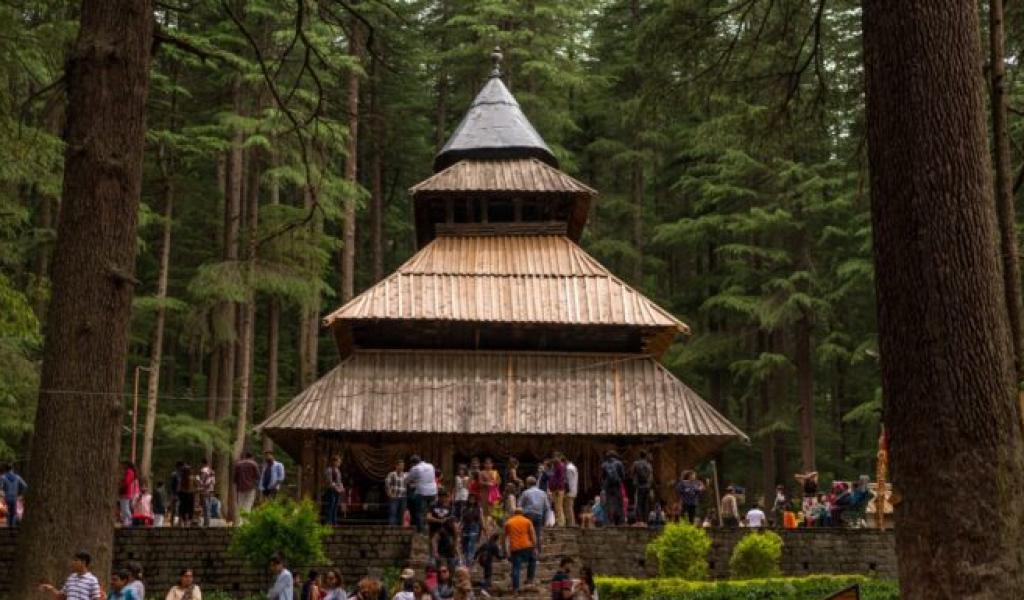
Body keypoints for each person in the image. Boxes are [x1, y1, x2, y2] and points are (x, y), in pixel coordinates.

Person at [37, 551, 102, 600]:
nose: (73, 563)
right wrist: (50, 588)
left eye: (76, 560)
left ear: (83, 562)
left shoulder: (92, 580)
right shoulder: (71, 578)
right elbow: (61, 596)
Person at [503, 507, 538, 594]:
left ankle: (515, 588)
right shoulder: (527, 521)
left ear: (514, 513)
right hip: (527, 546)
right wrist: (535, 546)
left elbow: (505, 538)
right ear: (522, 513)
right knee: (533, 560)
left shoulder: (509, 522)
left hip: (515, 548)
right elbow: (533, 535)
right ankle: (529, 578)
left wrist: (506, 551)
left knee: (516, 568)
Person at [518, 476, 551, 556]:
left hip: (528, 515)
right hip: (539, 516)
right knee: (537, 534)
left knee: (527, 534)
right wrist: (547, 520)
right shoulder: (542, 493)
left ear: (527, 484)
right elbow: (547, 507)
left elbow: (519, 505)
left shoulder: (526, 492)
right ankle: (537, 553)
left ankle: (527, 553)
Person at [406, 455, 438, 534]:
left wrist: (411, 482)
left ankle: (421, 531)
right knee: (431, 511)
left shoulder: (415, 468)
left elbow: (407, 480)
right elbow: (428, 478)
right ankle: (432, 529)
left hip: (422, 493)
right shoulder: (430, 465)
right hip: (433, 492)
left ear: (413, 463)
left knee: (419, 512)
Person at [599, 452, 625, 526]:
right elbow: (623, 476)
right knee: (619, 502)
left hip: (608, 487)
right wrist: (619, 481)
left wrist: (604, 485)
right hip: (617, 485)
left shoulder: (604, 464)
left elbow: (602, 477)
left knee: (609, 503)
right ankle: (620, 521)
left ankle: (610, 521)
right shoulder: (619, 463)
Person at [234, 451, 262, 521]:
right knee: (248, 505)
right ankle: (245, 522)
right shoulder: (253, 464)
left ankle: (240, 521)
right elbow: (258, 477)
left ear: (245, 456)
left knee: (240, 505)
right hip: (250, 488)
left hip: (240, 488)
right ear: (252, 457)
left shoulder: (238, 464)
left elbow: (234, 478)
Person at [474, 532, 503, 597]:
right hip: (488, 561)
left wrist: (475, 558)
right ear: (497, 539)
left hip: (481, 561)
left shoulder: (485, 543)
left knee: (486, 575)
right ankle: (484, 589)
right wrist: (505, 557)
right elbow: (498, 556)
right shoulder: (494, 545)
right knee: (488, 577)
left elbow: (477, 551)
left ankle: (478, 583)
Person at [630, 451, 653, 526]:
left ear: (639, 455)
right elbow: (651, 476)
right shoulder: (649, 465)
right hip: (647, 487)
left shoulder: (636, 463)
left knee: (638, 503)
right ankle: (646, 521)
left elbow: (632, 473)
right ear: (645, 456)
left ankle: (639, 521)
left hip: (639, 486)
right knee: (646, 503)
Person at [460, 493, 483, 566]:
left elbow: (481, 519)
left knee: (471, 544)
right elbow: (462, 519)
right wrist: (459, 527)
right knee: (465, 544)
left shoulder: (479, 508)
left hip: (474, 526)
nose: (471, 500)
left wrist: (483, 528)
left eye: (473, 498)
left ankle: (470, 560)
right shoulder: (464, 508)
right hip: (466, 526)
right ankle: (467, 559)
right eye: (470, 498)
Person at [0, 463, 26, 528]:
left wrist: (2, 495)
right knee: (13, 513)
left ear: (5, 469)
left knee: (7, 513)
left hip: (7, 498)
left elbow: (0, 488)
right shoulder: (17, 477)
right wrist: (21, 495)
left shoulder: (3, 477)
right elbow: (25, 486)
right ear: (12, 469)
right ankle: (12, 529)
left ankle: (8, 528)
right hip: (15, 498)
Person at [385, 459, 408, 527]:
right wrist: (390, 494)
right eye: (400, 465)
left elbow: (410, 483)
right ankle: (392, 528)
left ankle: (400, 529)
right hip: (394, 497)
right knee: (393, 513)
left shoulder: (405, 475)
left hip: (403, 497)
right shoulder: (392, 474)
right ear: (396, 466)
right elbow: (387, 484)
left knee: (402, 513)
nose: (401, 467)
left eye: (403, 466)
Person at [324, 455, 345, 526]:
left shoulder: (338, 471)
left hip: (337, 491)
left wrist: (341, 487)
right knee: (331, 506)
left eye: (339, 462)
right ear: (334, 462)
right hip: (331, 490)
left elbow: (339, 481)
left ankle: (334, 522)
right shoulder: (329, 470)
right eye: (338, 462)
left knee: (335, 506)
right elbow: (329, 481)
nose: (339, 463)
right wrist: (336, 487)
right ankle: (328, 522)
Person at [548, 454, 567, 527]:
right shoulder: (555, 467)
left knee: (558, 506)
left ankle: (561, 523)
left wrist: (557, 488)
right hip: (555, 489)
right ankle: (557, 521)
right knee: (556, 506)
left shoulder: (560, 467)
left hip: (558, 489)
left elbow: (560, 479)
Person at [120, 462, 141, 527]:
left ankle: (131, 519)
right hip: (128, 492)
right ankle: (126, 522)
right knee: (125, 507)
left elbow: (126, 482)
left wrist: (121, 484)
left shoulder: (129, 472)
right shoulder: (131, 472)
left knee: (125, 508)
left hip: (126, 492)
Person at [177, 463, 195, 527]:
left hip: (184, 494)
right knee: (188, 508)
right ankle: (187, 521)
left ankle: (185, 521)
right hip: (188, 494)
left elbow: (179, 487)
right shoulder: (191, 477)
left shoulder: (182, 478)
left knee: (184, 508)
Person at [564, 457, 578, 527]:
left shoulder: (568, 469)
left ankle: (571, 523)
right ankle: (571, 522)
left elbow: (569, 481)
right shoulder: (573, 467)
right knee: (570, 507)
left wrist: (566, 490)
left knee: (568, 508)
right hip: (573, 490)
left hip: (569, 491)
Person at [168, 462, 183, 527]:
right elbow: (171, 485)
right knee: (174, 509)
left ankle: (179, 522)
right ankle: (172, 523)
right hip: (175, 494)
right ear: (178, 467)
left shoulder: (182, 475)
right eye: (181, 467)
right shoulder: (174, 474)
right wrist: (172, 494)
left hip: (181, 494)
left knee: (180, 509)